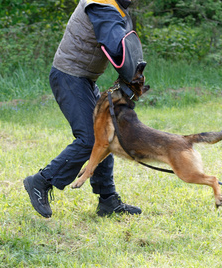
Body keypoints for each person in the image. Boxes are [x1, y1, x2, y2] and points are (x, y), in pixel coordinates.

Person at [23, 0, 144, 218]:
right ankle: (41, 181)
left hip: (84, 78)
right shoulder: (102, 4)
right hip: (69, 76)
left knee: (104, 135)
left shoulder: (116, 6)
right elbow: (117, 46)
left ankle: (107, 200)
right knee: (90, 139)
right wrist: (132, 74)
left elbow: (127, 46)